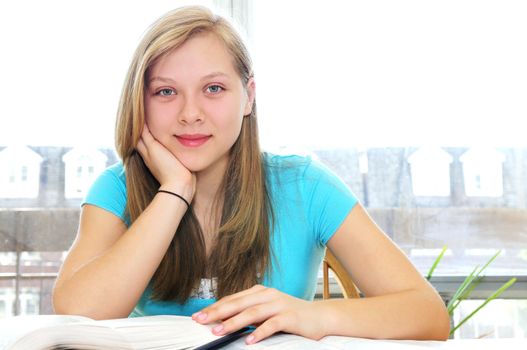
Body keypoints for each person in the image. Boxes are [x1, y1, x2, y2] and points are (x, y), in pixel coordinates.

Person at [52, 5, 450, 344]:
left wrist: (311, 316)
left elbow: (428, 315)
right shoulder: (116, 189)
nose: (191, 113)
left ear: (249, 97)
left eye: (213, 89)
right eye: (166, 92)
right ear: (141, 102)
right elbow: (79, 315)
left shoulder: (305, 185)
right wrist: (174, 191)